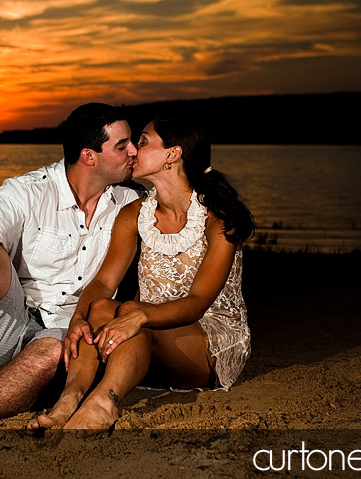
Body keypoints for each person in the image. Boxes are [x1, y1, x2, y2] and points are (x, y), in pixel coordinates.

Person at [0, 103, 145, 438]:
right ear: (89, 156)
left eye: (132, 142)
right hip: (11, 327)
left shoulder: (132, 202)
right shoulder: (30, 190)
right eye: (123, 146)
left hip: (74, 346)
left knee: (49, 348)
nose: (134, 151)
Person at [27, 116, 253, 436]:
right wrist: (79, 317)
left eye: (143, 142)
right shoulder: (134, 214)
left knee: (131, 311)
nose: (132, 150)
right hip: (144, 333)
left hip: (207, 342)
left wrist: (140, 315)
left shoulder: (217, 217)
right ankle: (70, 398)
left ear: (172, 155)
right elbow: (104, 283)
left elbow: (199, 301)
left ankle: (104, 402)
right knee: (103, 307)